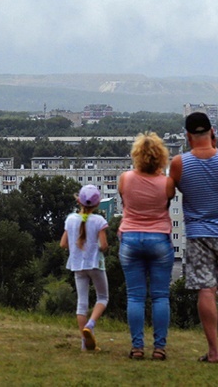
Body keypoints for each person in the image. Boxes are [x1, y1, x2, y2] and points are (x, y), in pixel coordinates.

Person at [168, 111, 218, 364]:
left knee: (206, 290)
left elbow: (173, 188)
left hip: (198, 234)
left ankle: (212, 352)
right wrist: (216, 147)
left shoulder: (179, 163)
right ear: (212, 131)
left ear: (188, 136)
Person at [117, 131, 175, 361]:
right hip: (159, 239)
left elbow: (125, 199)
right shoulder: (167, 183)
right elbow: (166, 203)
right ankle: (159, 348)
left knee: (135, 297)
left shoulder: (125, 179)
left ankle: (137, 347)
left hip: (130, 239)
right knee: (160, 297)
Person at [60, 184, 109, 352]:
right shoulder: (99, 221)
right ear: (97, 204)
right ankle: (91, 324)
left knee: (82, 304)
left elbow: (63, 244)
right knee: (102, 297)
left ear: (79, 201)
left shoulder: (70, 219)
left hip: (77, 266)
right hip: (95, 264)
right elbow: (103, 245)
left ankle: (84, 343)